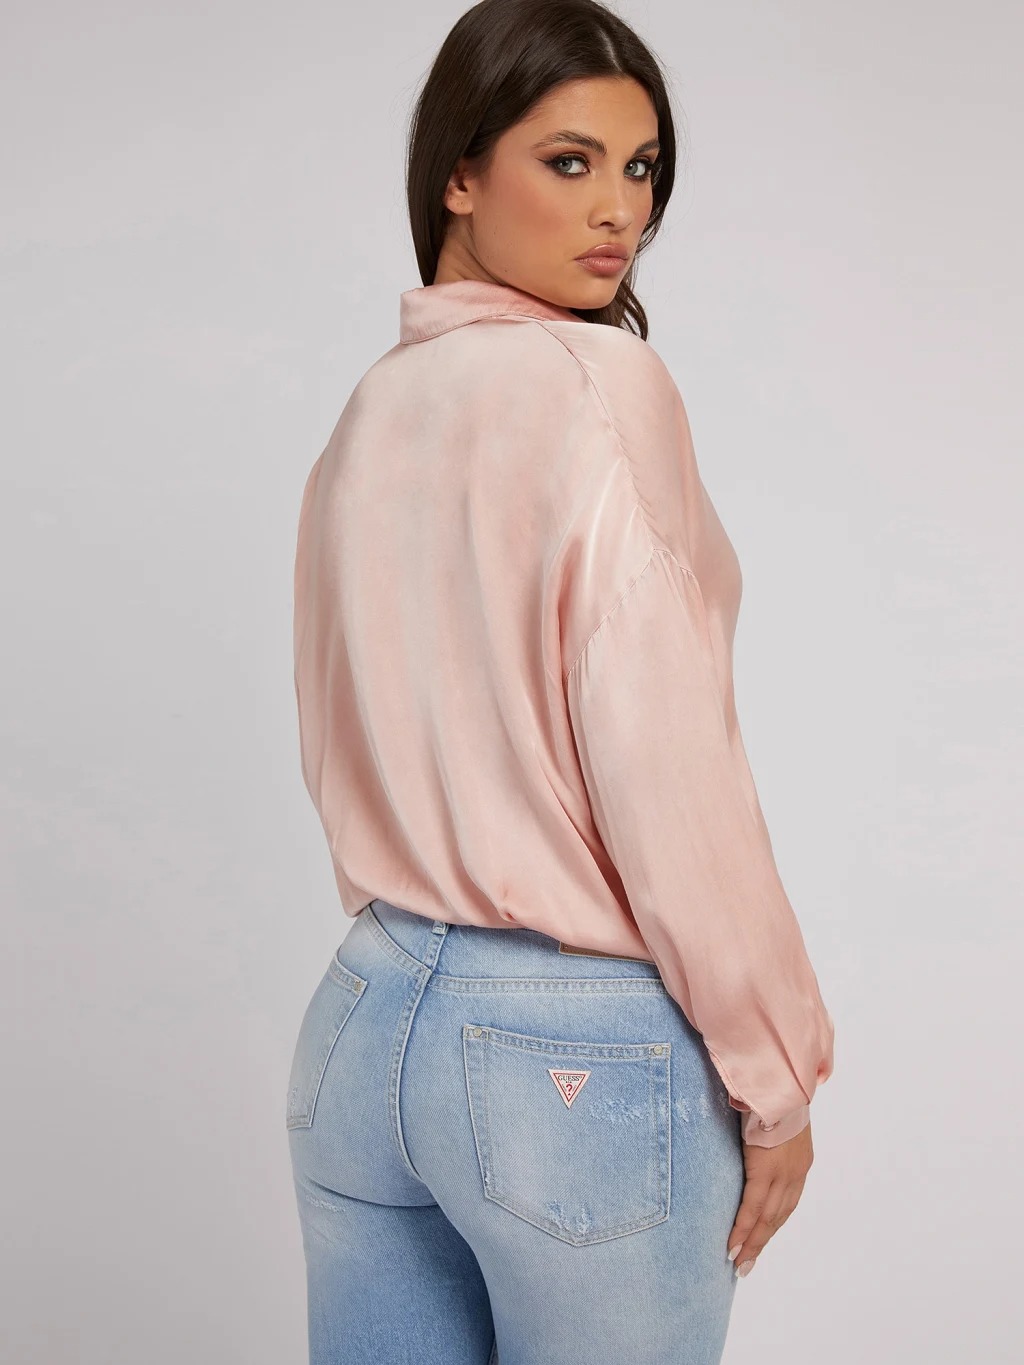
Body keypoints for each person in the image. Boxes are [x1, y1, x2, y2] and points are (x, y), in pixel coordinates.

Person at [284, 1, 835, 1361]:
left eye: (640, 168)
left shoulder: (374, 408)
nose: (620, 211)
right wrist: (775, 1077)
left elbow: (334, 714)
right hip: (571, 1054)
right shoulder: (603, 385)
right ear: (459, 176)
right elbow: (667, 768)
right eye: (569, 161)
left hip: (367, 1013)